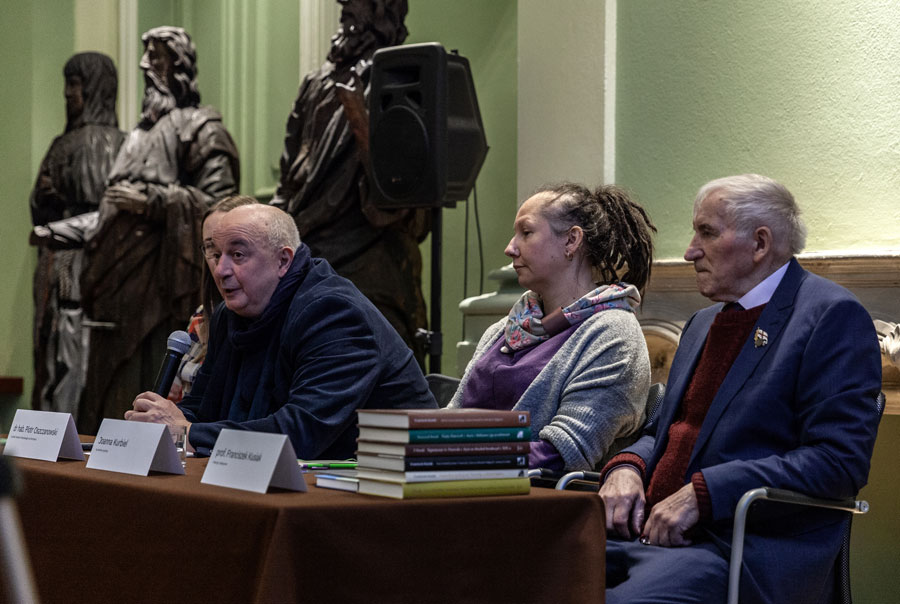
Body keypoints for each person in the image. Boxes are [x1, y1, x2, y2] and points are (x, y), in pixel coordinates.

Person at [599, 174, 882, 604]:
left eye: (707, 233)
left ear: (760, 243)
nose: (691, 251)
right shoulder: (702, 324)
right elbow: (665, 432)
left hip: (733, 548)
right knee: (520, 574)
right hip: (643, 536)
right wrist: (627, 466)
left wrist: (707, 492)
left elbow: (838, 462)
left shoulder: (831, 316)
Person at [125, 203, 437, 459]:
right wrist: (157, 421)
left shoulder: (334, 314)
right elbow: (203, 408)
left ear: (283, 260)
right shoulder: (230, 315)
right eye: (217, 254)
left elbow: (299, 433)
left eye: (238, 254)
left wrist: (185, 432)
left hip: (387, 494)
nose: (220, 270)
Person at [76, 26, 240, 434]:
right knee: (107, 392)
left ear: (179, 66)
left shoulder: (202, 127)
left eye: (157, 56)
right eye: (145, 55)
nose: (146, 65)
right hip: (115, 289)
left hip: (163, 290)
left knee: (147, 384)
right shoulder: (136, 135)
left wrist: (151, 202)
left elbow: (224, 206)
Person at [446, 183, 657, 472]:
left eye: (526, 233)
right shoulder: (502, 330)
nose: (510, 248)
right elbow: (449, 421)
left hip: (540, 501)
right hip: (457, 482)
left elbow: (564, 452)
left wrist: (450, 456)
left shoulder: (613, 334)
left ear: (571, 241)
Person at [271, 0, 429, 363]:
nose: (344, 5)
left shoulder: (401, 76)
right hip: (307, 247)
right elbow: (289, 170)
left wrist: (359, 116)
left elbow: (404, 187)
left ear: (382, 11)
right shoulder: (315, 83)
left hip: (371, 256)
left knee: (366, 364)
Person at [29, 52, 126, 415]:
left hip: (74, 267)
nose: (68, 94)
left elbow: (51, 202)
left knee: (67, 359)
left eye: (75, 85)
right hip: (75, 267)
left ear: (95, 89)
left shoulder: (86, 143)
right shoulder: (75, 141)